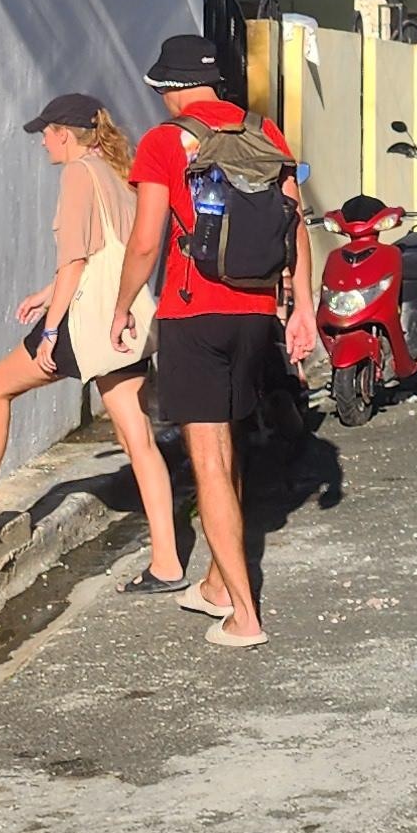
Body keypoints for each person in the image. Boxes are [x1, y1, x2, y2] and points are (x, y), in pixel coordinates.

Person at [0, 94, 193, 591]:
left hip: (82, 323)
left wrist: (51, 326)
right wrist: (46, 293)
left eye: (45, 133)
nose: (43, 142)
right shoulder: (117, 171)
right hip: (124, 318)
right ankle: (167, 562)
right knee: (138, 439)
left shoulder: (77, 175)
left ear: (65, 134)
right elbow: (106, 253)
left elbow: (75, 260)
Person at [116, 33, 314, 649]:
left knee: (206, 459)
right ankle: (217, 585)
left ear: (170, 90)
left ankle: (245, 617)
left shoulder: (160, 144)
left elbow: (148, 239)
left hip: (193, 312)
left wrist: (122, 306)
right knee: (230, 448)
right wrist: (301, 306)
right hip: (255, 313)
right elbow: (295, 222)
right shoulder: (265, 131)